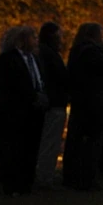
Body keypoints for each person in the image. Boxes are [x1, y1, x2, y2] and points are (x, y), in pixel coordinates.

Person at [0, 26, 47, 196]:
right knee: (14, 149)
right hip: (15, 112)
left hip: (34, 112)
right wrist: (32, 96)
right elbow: (10, 85)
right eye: (33, 37)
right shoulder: (7, 59)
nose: (36, 41)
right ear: (22, 40)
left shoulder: (34, 59)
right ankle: (12, 185)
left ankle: (26, 184)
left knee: (31, 149)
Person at [63, 23, 103, 191]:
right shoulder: (93, 52)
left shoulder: (77, 51)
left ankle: (73, 176)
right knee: (93, 140)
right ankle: (88, 177)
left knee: (76, 140)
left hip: (80, 101)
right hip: (94, 101)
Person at [35, 22, 69, 188]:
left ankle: (45, 174)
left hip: (55, 101)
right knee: (50, 142)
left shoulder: (46, 53)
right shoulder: (48, 54)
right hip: (54, 102)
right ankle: (44, 176)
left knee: (50, 141)